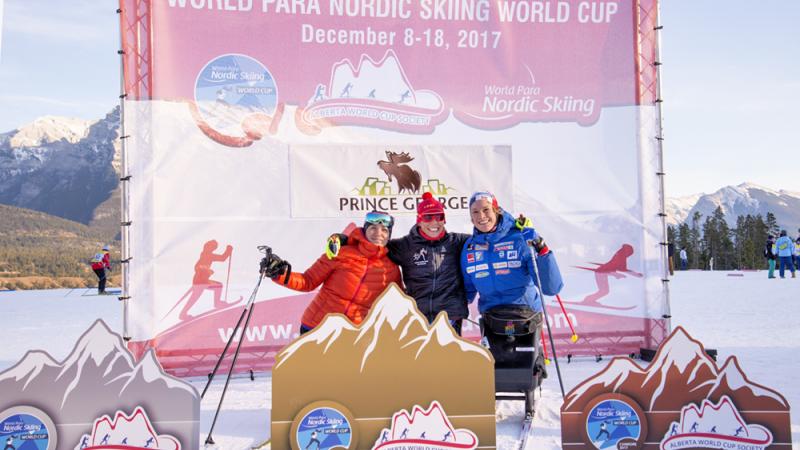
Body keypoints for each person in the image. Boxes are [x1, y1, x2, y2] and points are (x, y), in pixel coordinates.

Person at [263, 211, 402, 333]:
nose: (378, 233)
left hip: (352, 334)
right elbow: (308, 281)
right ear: (365, 230)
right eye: (373, 228)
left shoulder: (391, 269)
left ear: (389, 235)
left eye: (384, 230)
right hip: (317, 327)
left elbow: (397, 304)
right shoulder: (341, 253)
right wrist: (279, 274)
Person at [461, 191, 563, 320]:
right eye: (475, 212)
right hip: (491, 318)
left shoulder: (520, 238)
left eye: (486, 210)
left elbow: (551, 288)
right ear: (471, 217)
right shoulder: (469, 247)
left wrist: (540, 247)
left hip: (525, 314)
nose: (481, 216)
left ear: (496, 210)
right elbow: (467, 291)